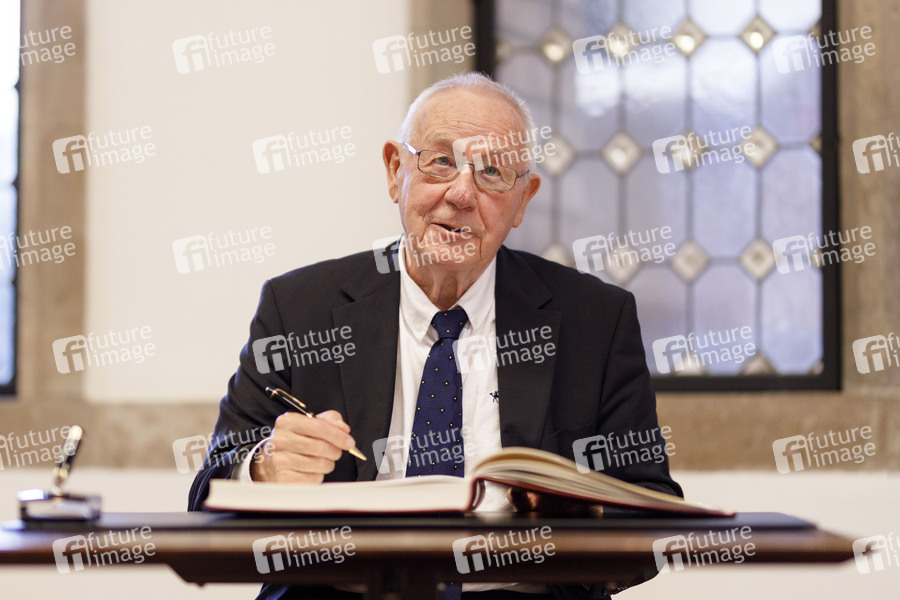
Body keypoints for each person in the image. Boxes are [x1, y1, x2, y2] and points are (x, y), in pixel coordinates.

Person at [189, 72, 682, 600]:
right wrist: (265, 469)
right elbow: (207, 497)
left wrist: (577, 520)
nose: (462, 193)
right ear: (394, 170)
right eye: (441, 161)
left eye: (492, 172)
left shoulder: (594, 319)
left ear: (523, 200)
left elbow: (651, 510)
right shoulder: (299, 308)